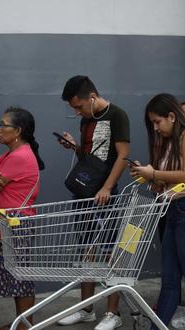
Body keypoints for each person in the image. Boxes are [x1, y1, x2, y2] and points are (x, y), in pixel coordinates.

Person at [130, 94, 185, 330]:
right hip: (176, 210)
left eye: (158, 122)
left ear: (171, 116)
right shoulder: (171, 142)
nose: (156, 129)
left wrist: (153, 174)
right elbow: (166, 184)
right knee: (169, 281)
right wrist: (147, 176)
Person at [56, 75, 130, 330]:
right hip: (85, 192)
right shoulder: (87, 120)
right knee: (87, 249)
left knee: (110, 251)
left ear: (92, 97)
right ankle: (86, 308)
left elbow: (122, 156)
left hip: (105, 194)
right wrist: (75, 148)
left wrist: (108, 187)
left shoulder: (116, 115)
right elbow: (91, 157)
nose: (77, 112)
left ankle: (113, 313)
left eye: (78, 107)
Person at [0, 107, 45, 330]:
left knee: (21, 276)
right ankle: (21, 322)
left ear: (17, 131)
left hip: (14, 224)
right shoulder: (7, 155)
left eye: (3, 125)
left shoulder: (19, 157)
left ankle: (25, 325)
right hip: (5, 223)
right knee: (16, 275)